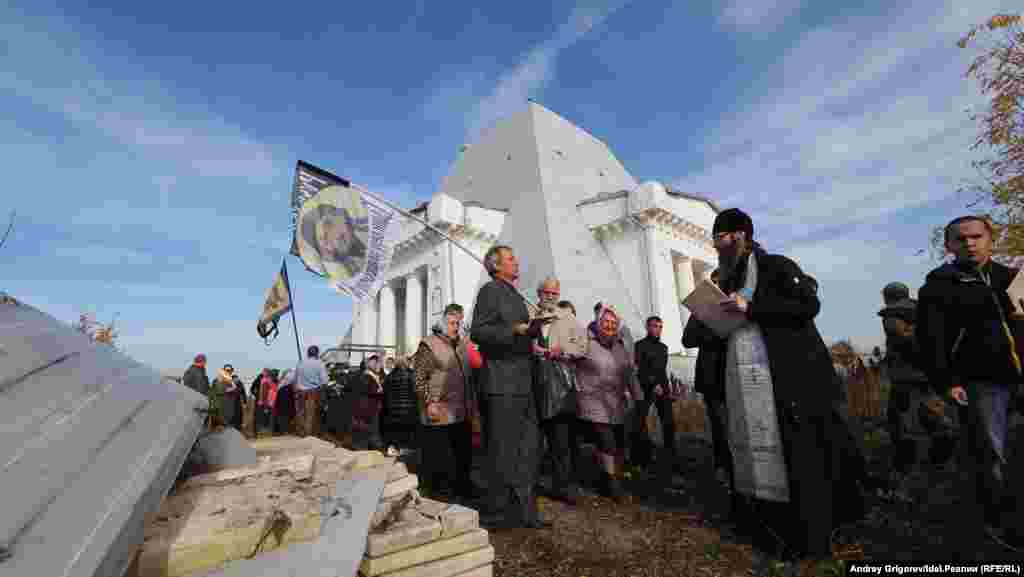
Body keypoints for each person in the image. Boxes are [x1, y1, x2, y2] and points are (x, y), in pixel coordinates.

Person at [710, 208, 868, 559]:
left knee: (806, 459)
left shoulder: (776, 266)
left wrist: (751, 308)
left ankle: (814, 538)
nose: (716, 245)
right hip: (753, 386)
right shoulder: (728, 280)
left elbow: (807, 305)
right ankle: (772, 528)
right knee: (770, 457)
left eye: (719, 238)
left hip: (796, 381)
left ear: (739, 235)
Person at [916, 215, 1024, 556]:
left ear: (991, 239)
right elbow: (930, 340)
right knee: (993, 453)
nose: (970, 243)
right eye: (960, 239)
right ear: (949, 245)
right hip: (982, 381)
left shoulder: (1013, 278)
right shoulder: (938, 285)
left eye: (976, 236)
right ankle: (1001, 522)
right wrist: (946, 381)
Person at [470, 244, 551, 529]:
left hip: (523, 381)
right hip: (501, 382)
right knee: (502, 449)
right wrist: (514, 330)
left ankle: (525, 511)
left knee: (528, 449)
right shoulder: (490, 291)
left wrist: (534, 329)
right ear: (495, 265)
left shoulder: (515, 294)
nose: (517, 262)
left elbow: (522, 335)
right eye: (510, 258)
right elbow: (478, 331)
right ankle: (497, 513)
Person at [574, 305, 642, 501]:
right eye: (606, 322)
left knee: (618, 443)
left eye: (614, 323)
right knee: (607, 442)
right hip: (592, 401)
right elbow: (570, 361)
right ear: (598, 323)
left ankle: (608, 478)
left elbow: (629, 374)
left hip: (615, 403)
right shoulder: (587, 343)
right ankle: (612, 485)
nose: (610, 325)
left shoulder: (621, 347)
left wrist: (638, 397)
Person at [413, 304, 477, 500]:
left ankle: (462, 488)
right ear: (442, 323)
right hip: (438, 409)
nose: (456, 327)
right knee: (438, 456)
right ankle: (436, 493)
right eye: (452, 323)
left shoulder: (463, 345)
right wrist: (428, 403)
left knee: (462, 455)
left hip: (461, 411)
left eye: (458, 323)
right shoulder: (429, 344)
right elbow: (419, 378)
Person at [530, 278, 582, 505]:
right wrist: (529, 347)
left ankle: (562, 487)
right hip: (532, 385)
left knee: (560, 441)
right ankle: (530, 485)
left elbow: (582, 346)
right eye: (546, 293)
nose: (550, 297)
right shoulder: (529, 315)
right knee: (531, 442)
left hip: (558, 386)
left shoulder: (568, 318)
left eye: (554, 293)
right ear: (539, 293)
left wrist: (563, 350)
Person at [683, 270, 732, 489]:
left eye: (721, 283)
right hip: (712, 377)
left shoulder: (735, 306)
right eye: (715, 283)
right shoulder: (701, 311)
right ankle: (722, 467)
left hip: (735, 374)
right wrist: (713, 329)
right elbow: (687, 340)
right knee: (720, 425)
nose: (718, 287)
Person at [632, 315, 678, 479]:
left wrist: (668, 389)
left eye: (660, 326)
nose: (657, 329)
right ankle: (641, 458)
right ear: (647, 327)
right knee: (640, 422)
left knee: (669, 423)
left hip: (662, 389)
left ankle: (671, 457)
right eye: (654, 326)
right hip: (645, 388)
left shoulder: (664, 348)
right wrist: (652, 385)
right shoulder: (639, 345)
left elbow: (662, 371)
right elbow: (640, 369)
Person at [382, 357, 418, 450]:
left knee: (396, 430)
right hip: (409, 408)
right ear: (406, 364)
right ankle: (407, 448)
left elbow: (385, 392)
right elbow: (416, 391)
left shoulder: (389, 376)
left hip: (393, 409)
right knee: (408, 430)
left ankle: (397, 447)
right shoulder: (412, 375)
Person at [352, 355, 386, 450]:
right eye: (378, 364)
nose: (380, 366)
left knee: (368, 426)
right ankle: (367, 444)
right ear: (373, 364)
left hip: (369, 405)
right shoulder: (367, 376)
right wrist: (379, 391)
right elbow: (369, 390)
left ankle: (366, 444)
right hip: (369, 406)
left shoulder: (370, 375)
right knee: (369, 426)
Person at [294, 345, 329, 437]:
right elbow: (325, 381)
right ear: (317, 353)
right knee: (311, 414)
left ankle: (301, 432)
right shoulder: (320, 364)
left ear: (308, 353)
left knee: (301, 413)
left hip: (300, 392)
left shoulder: (300, 363)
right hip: (313, 392)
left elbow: (295, 379)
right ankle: (308, 434)